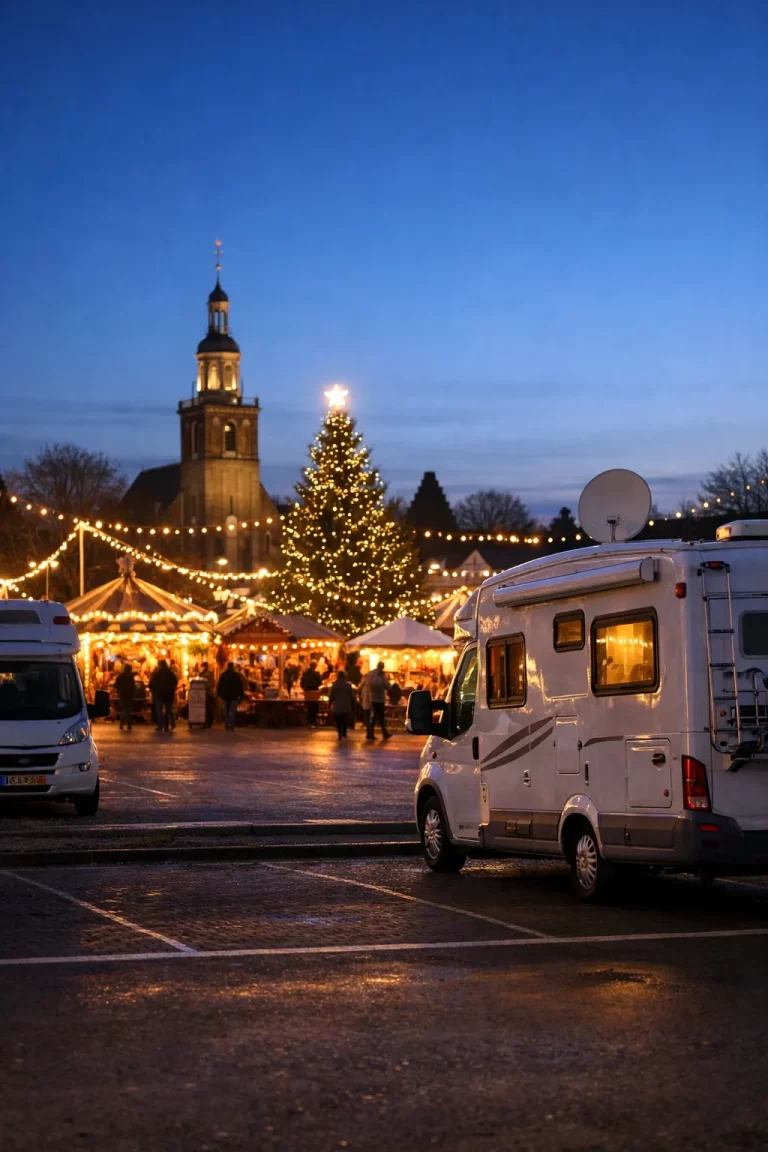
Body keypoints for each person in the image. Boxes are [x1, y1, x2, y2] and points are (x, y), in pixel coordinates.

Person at [149, 659, 178, 732]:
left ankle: (160, 725)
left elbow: (151, 684)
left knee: (159, 711)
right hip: (168, 695)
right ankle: (167, 726)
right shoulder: (170, 674)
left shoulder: (157, 674)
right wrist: (172, 689)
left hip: (159, 695)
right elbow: (175, 682)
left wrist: (154, 691)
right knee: (168, 711)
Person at [365, 661, 392, 741]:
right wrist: (389, 688)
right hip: (379, 698)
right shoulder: (380, 674)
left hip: (373, 698)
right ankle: (373, 733)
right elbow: (384, 684)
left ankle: (374, 733)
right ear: (381, 666)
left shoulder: (371, 674)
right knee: (378, 716)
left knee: (377, 716)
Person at [217, 661, 245, 731]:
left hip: (225, 696)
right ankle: (232, 725)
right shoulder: (236, 676)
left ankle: (227, 725)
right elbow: (240, 686)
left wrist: (219, 694)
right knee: (232, 711)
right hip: (234, 696)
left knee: (226, 711)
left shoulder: (223, 675)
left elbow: (219, 686)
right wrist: (241, 695)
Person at [329, 669, 356, 741]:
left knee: (338, 720)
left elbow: (331, 695)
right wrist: (353, 704)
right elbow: (352, 696)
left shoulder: (334, 684)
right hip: (346, 706)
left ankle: (339, 732)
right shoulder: (348, 685)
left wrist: (330, 704)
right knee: (344, 720)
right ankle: (344, 732)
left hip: (337, 706)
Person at [114, 662, 136, 731]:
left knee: (123, 709)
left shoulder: (120, 676)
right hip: (129, 695)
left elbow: (116, 685)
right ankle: (129, 724)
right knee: (129, 709)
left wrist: (118, 690)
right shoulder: (131, 677)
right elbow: (133, 686)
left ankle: (122, 723)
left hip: (122, 694)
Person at [300, 661, 323, 727]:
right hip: (315, 692)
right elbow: (319, 683)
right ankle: (313, 721)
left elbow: (302, 683)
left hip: (307, 691)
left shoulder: (305, 673)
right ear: (315, 666)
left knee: (309, 707)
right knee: (314, 707)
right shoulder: (316, 674)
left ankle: (309, 721)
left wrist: (304, 688)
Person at [200, 661, 215, 727]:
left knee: (207, 708)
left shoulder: (206, 674)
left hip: (207, 693)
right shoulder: (208, 673)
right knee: (209, 708)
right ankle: (209, 722)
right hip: (208, 693)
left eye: (202, 667)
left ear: (204, 667)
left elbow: (209, 684)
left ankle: (207, 723)